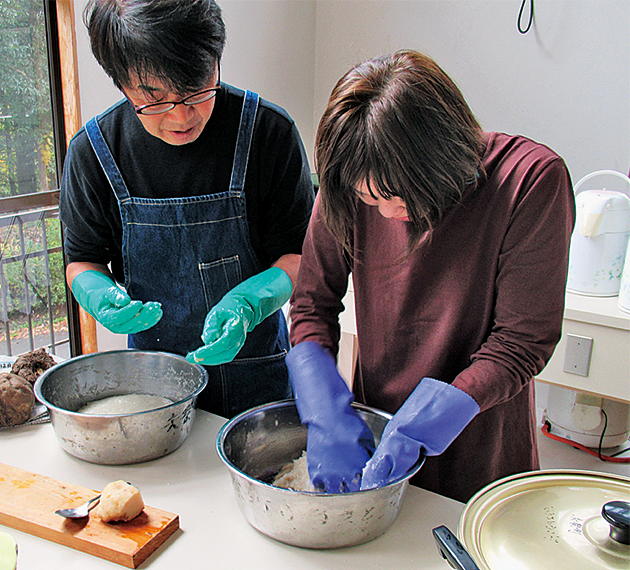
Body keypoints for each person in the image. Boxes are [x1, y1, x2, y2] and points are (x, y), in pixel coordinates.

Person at [285, 50, 575, 502]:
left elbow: (521, 341)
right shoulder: (351, 180)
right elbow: (311, 304)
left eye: (396, 196)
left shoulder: (530, 181)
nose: (385, 213)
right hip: (374, 436)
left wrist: (434, 417)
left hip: (482, 445)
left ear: (439, 164)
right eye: (369, 199)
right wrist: (322, 402)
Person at [60, 0, 314, 418]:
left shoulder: (269, 133)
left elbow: (299, 255)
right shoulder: (94, 153)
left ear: (215, 59)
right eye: (153, 97)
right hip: (152, 384)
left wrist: (251, 302)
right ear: (121, 83)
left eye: (197, 88)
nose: (180, 115)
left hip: (256, 376)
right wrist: (97, 293)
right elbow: (82, 257)